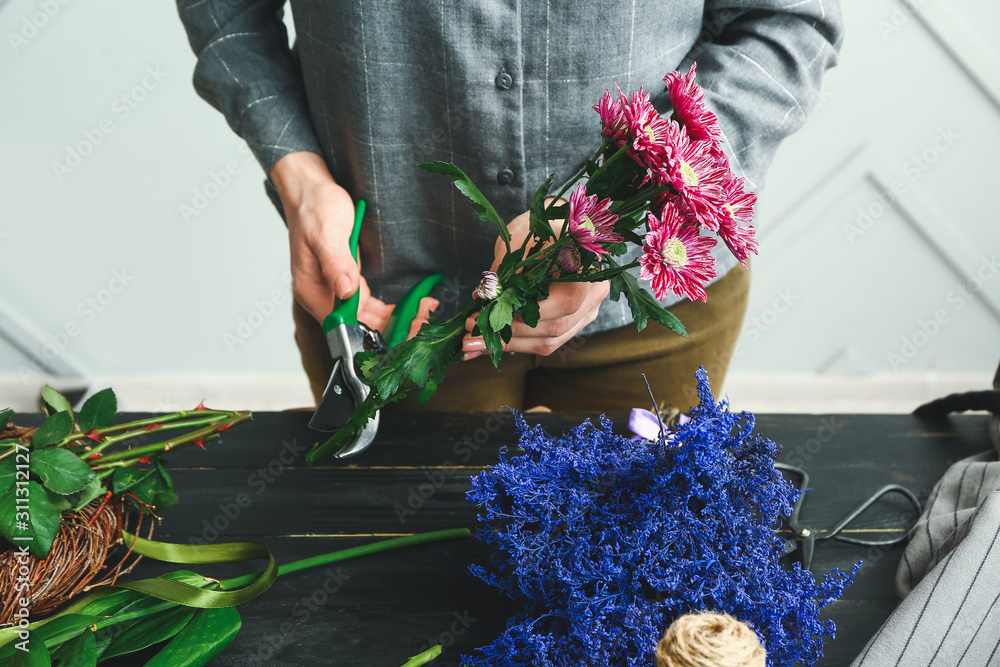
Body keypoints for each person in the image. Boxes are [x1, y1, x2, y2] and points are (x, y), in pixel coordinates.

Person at [176, 0, 843, 412]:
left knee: (630, 589)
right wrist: (299, 175)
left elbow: (788, 23)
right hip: (388, 295)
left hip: (655, 298)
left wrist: (602, 222)